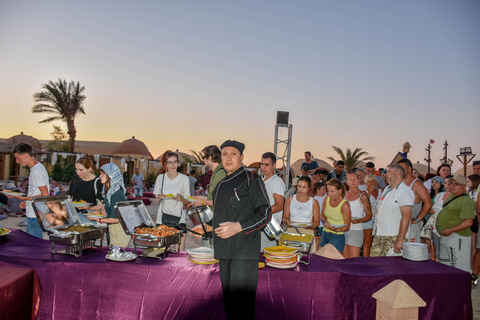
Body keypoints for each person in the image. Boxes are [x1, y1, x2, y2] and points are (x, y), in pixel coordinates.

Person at [191, 140, 271, 320]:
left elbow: (265, 212)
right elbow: (221, 215)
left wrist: (239, 226)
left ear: (241, 157)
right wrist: (206, 228)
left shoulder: (252, 179)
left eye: (233, 154)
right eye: (225, 154)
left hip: (243, 253)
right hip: (224, 252)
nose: (228, 157)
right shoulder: (220, 186)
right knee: (230, 306)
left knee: (243, 309)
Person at [371, 164, 414, 256]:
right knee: (375, 266)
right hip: (380, 235)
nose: (386, 174)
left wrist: (400, 240)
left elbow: (406, 217)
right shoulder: (387, 189)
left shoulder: (405, 191)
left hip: (393, 237)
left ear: (397, 174)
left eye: (388, 172)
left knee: (391, 268)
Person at [8, 143, 49, 238]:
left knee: (34, 247)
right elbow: (37, 193)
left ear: (26, 155)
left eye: (18, 158)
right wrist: (27, 200)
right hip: (34, 212)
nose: (17, 161)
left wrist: (23, 197)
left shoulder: (37, 171)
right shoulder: (36, 168)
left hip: (36, 214)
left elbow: (45, 195)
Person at [436, 174, 475, 273]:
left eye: (456, 184)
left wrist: (450, 230)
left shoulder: (466, 201)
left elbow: (468, 222)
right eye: (451, 183)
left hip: (457, 237)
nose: (452, 186)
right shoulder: (453, 196)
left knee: (459, 267)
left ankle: (461, 287)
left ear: (463, 186)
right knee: (445, 264)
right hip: (446, 236)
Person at [153, 150, 190, 251]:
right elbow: (157, 197)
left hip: (179, 218)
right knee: (163, 251)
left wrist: (181, 199)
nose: (173, 164)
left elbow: (188, 201)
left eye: (175, 162)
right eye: (170, 162)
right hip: (162, 218)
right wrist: (160, 197)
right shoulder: (161, 178)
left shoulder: (184, 179)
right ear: (166, 164)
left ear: (178, 163)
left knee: (179, 253)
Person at [87, 163, 131, 247]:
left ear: (111, 176)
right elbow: (105, 207)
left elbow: (118, 219)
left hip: (120, 231)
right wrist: (93, 211)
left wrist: (99, 220)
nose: (99, 176)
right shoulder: (110, 191)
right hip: (114, 229)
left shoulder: (116, 194)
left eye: (102, 174)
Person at [397, 159, 433, 243]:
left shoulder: (417, 184)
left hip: (411, 226)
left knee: (410, 253)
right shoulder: (399, 183)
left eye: (401, 168)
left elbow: (428, 203)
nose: (399, 171)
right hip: (399, 224)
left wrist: (417, 219)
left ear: (409, 169)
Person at [283, 176, 320, 252]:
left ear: (309, 188)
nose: (301, 189)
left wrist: (312, 226)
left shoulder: (314, 202)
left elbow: (317, 221)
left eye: (304, 187)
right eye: (299, 186)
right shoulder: (289, 200)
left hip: (307, 234)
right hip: (291, 232)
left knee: (306, 260)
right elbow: (285, 218)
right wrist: (287, 222)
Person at [259, 152, 285, 250]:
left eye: (267, 165)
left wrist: (260, 213)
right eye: (262, 164)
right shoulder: (262, 180)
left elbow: (279, 206)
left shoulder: (276, 181)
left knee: (266, 259)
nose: (263, 167)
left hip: (270, 229)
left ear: (274, 165)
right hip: (261, 226)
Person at [344, 172, 372, 258]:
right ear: (346, 181)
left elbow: (369, 215)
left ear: (358, 180)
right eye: (350, 180)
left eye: (355, 179)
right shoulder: (343, 195)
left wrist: (359, 220)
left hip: (356, 230)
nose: (353, 182)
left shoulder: (363, 196)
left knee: (354, 259)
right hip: (342, 230)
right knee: (344, 259)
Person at [319, 179, 351, 254]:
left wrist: (337, 230)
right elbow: (322, 215)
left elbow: (347, 226)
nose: (329, 193)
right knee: (320, 257)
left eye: (332, 191)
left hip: (337, 236)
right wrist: (325, 221)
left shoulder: (345, 205)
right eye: (328, 191)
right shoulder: (326, 198)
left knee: (332, 262)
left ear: (340, 191)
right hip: (325, 233)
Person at [363, 174, 382, 257]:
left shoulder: (381, 191)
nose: (371, 183)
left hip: (379, 218)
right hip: (368, 219)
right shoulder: (364, 192)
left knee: (377, 242)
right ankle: (366, 262)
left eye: (373, 181)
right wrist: (370, 192)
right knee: (367, 242)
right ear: (366, 183)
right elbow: (363, 204)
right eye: (369, 182)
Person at [313, 181, 327, 251]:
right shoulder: (313, 200)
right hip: (318, 224)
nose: (325, 191)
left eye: (325, 189)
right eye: (323, 189)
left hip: (325, 224)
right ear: (318, 190)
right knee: (317, 241)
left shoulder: (327, 197)